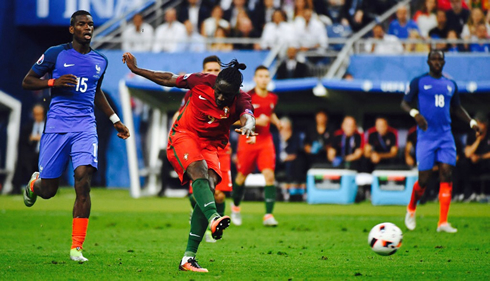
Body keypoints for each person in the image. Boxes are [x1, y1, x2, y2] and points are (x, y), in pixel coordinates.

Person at [122, 52, 256, 273]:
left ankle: (188, 258)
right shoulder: (202, 80)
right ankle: (214, 217)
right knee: (200, 174)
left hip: (212, 144)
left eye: (226, 95)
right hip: (184, 134)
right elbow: (168, 78)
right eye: (218, 92)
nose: (220, 97)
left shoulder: (242, 99)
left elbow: (248, 115)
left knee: (209, 189)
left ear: (236, 93)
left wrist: (249, 124)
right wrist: (137, 70)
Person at [21, 10, 130, 262]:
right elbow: (27, 81)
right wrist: (52, 84)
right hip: (57, 126)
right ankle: (33, 184)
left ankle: (76, 248)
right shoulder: (55, 53)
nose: (87, 28)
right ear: (72, 29)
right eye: (81, 24)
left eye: (90, 24)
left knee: (83, 178)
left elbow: (96, 92)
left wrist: (116, 121)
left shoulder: (100, 60)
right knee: (48, 190)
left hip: (85, 127)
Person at [401, 49, 480, 233]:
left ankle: (442, 222)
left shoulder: (450, 84)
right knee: (424, 179)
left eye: (440, 59)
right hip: (426, 136)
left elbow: (457, 107)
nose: (437, 62)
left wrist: (472, 122)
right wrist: (415, 113)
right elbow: (405, 102)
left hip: (445, 135)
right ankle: (411, 208)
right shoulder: (418, 81)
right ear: (428, 62)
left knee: (447, 172)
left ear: (444, 62)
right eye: (433, 59)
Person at [172, 55, 232, 243]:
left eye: (216, 70)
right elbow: (181, 113)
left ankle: (214, 229)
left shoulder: (229, 94)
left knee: (220, 194)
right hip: (197, 146)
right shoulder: (194, 91)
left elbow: (235, 115)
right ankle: (208, 220)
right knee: (200, 192)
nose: (213, 74)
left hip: (220, 147)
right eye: (210, 70)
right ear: (203, 72)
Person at [231, 65, 281, 227]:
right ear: (255, 78)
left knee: (269, 176)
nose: (264, 79)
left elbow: (269, 111)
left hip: (265, 140)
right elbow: (234, 120)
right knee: (242, 176)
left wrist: (276, 121)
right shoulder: (246, 97)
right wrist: (255, 121)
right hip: (248, 139)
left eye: (266, 76)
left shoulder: (273, 98)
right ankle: (236, 207)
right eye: (260, 76)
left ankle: (268, 215)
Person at [11, 104, 45, 195]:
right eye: (36, 114)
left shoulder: (49, 127)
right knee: (22, 160)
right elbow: (23, 141)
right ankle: (15, 188)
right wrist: (31, 139)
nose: (38, 116)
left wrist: (41, 138)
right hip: (31, 153)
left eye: (40, 114)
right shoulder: (28, 127)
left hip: (44, 153)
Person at [463, 112, 490, 201]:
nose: (479, 125)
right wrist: (478, 140)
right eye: (477, 123)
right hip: (475, 164)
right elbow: (467, 153)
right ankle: (468, 194)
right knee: (463, 163)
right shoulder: (472, 135)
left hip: (486, 162)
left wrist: (480, 157)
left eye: (480, 123)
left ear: (485, 124)